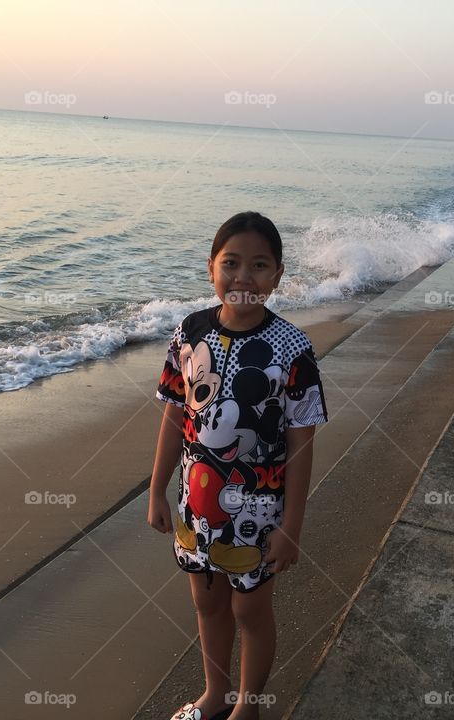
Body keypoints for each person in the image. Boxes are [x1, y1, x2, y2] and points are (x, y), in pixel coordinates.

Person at [148, 211, 329, 720]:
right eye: (231, 263)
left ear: (278, 275)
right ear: (211, 267)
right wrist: (156, 490)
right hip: (195, 504)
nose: (243, 277)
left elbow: (301, 443)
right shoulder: (189, 332)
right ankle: (214, 695)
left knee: (249, 608)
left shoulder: (292, 348)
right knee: (208, 604)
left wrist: (292, 525)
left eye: (259, 265)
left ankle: (247, 708)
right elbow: (174, 414)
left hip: (260, 510)